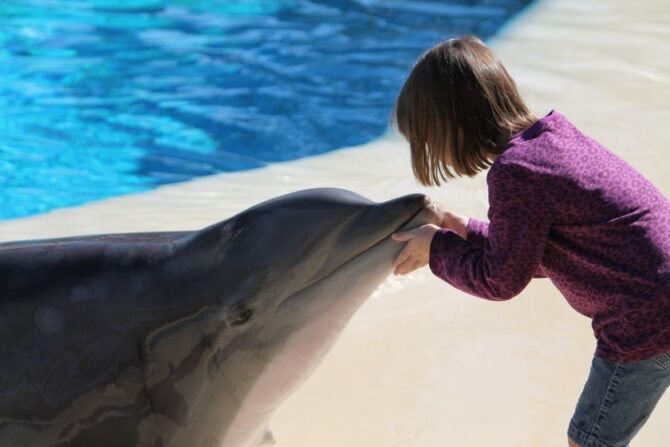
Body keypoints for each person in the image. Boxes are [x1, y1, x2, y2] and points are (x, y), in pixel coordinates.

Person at [389, 34, 670, 447]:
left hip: (645, 319)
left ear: (454, 123)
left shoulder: (516, 172)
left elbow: (500, 280)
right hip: (659, 298)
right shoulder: (551, 142)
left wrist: (434, 248)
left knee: (590, 442)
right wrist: (458, 226)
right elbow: (533, 253)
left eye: (428, 136)